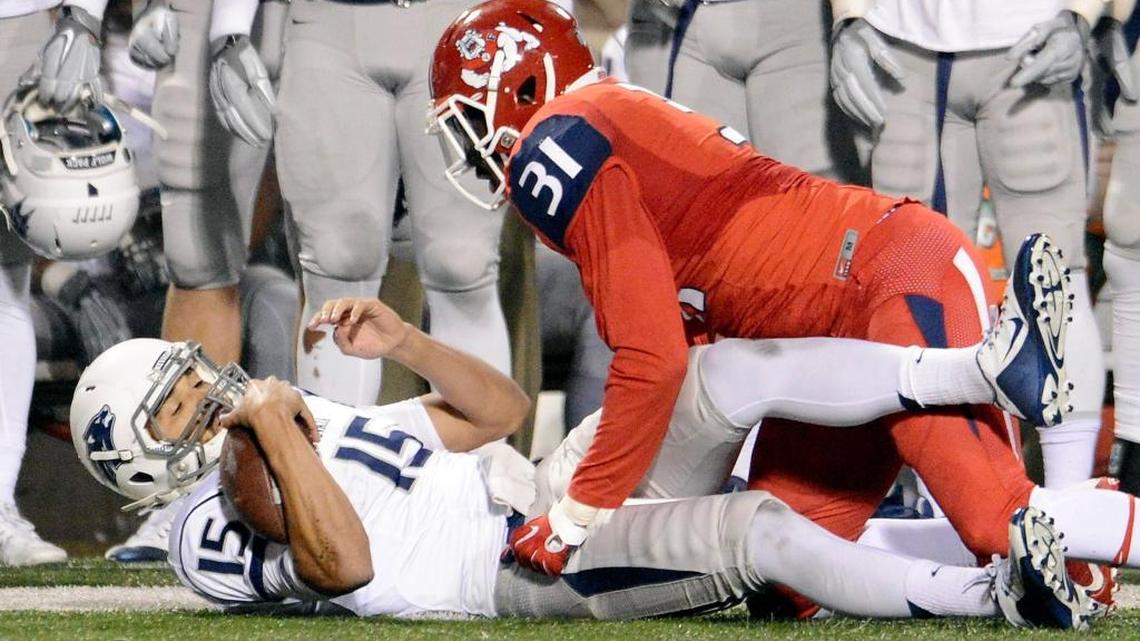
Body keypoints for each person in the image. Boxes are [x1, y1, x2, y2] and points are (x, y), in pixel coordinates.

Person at [423, 0, 1140, 588]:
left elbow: (652, 356)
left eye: (467, 119)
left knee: (996, 515)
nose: (470, 145)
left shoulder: (559, 140)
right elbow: (693, 344)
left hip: (888, 278)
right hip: (833, 337)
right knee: (789, 579)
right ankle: (1072, 535)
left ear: (520, 87)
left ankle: (1041, 471)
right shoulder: (600, 121)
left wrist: (577, 512)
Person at [69, 296, 1097, 627]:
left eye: (192, 372)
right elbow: (347, 566)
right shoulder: (208, 526)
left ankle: (984, 365)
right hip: (517, 565)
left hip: (539, 483)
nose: (206, 389)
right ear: (142, 460)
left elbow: (501, 410)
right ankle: (994, 595)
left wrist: (406, 345)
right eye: (176, 400)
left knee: (719, 373)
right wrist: (277, 427)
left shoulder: (281, 421)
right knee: (754, 531)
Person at [827, 0, 1131, 490]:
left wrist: (1081, 15)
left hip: (1026, 41)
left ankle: (1070, 502)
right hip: (900, 45)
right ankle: (937, 497)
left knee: (1055, 276)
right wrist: (850, 18)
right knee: (912, 283)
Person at [207, 0, 513, 409]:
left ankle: (481, 467)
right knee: (338, 266)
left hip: (468, 23)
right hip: (329, 23)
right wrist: (229, 27)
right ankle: (335, 467)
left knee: (463, 265)